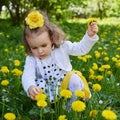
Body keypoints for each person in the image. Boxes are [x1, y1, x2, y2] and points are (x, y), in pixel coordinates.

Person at [22, 10, 99, 102]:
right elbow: (27, 75)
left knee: (75, 80)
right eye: (34, 48)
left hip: (65, 82)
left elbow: (80, 49)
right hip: (47, 86)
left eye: (44, 45)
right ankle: (49, 108)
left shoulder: (62, 46)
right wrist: (30, 86)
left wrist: (89, 36)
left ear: (51, 39)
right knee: (37, 89)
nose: (40, 51)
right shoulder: (31, 58)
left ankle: (71, 107)